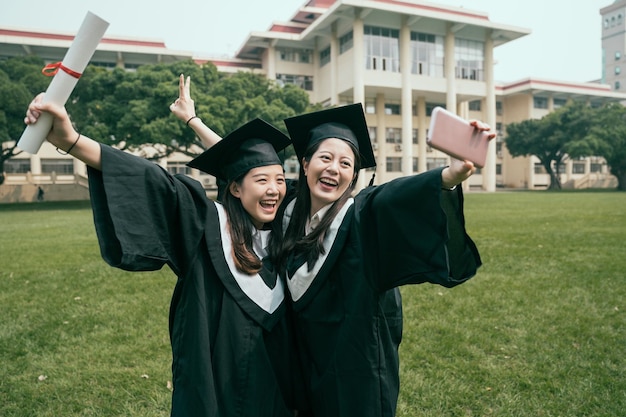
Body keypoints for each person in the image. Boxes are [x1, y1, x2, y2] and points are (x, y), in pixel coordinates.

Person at [24, 77, 298, 416]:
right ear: (236, 189)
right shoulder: (206, 225)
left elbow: (240, 162)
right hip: (215, 386)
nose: (274, 189)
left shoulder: (289, 231)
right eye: (261, 181)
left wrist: (193, 120)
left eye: (280, 180)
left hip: (276, 386)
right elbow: (154, 180)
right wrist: (72, 140)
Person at [268, 103, 494, 417]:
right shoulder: (287, 210)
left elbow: (395, 197)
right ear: (305, 165)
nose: (335, 168)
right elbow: (253, 175)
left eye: (346, 163)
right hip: (301, 361)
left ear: (352, 176)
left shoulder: (360, 217)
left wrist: (450, 175)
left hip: (352, 366)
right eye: (325, 158)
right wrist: (195, 122)